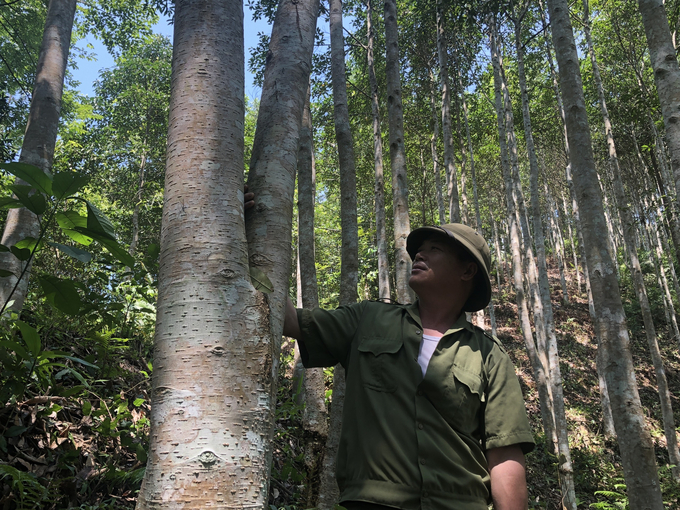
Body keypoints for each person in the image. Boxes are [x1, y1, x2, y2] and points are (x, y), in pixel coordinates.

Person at [283, 223, 534, 510]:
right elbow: (288, 319)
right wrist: (236, 231)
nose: (419, 255)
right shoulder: (368, 319)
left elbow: (504, 456)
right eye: (419, 250)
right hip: (374, 502)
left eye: (434, 249)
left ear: (467, 271)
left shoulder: (489, 354)